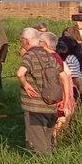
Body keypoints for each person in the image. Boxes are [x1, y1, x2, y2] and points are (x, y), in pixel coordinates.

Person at [17, 28, 61, 156]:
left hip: (34, 105)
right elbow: (60, 74)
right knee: (47, 140)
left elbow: (20, 73)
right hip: (51, 104)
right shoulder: (49, 55)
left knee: (38, 144)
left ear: (26, 41)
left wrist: (25, 84)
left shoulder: (29, 55)